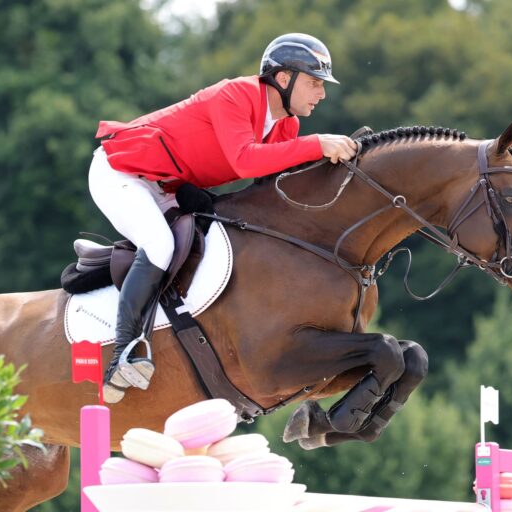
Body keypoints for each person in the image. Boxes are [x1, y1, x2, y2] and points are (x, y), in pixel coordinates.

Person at [89, 33, 357, 403]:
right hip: (122, 172)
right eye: (314, 83)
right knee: (160, 245)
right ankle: (123, 354)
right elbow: (244, 161)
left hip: (170, 186)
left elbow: (272, 194)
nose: (321, 94)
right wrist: (317, 144)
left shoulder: (285, 126)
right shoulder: (235, 95)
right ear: (283, 79)